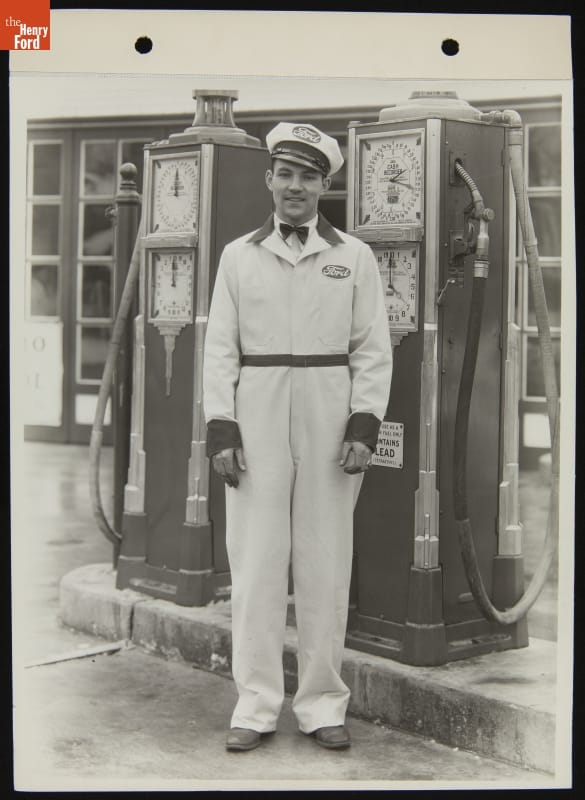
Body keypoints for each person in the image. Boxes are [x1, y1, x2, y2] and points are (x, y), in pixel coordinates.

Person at [203, 122, 393, 752]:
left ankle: (321, 704)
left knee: (324, 560)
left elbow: (372, 348)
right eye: (285, 173)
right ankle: (255, 706)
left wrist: (364, 422)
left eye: (308, 176)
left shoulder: (353, 256)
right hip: (256, 411)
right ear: (269, 179)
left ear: (324, 186)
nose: (295, 186)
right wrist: (221, 426)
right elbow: (219, 348)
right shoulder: (238, 255)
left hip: (328, 414)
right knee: (256, 560)